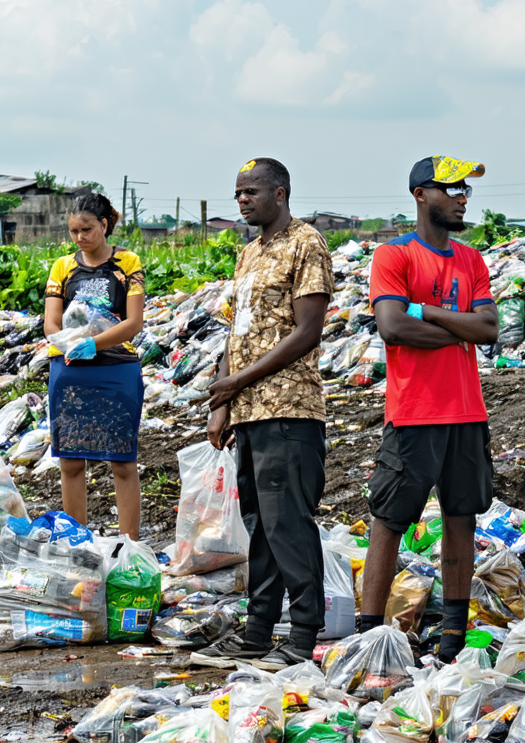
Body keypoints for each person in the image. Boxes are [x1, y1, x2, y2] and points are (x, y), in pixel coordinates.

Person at [357, 155, 498, 664]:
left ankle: (453, 641)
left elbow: (489, 331)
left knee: (463, 520)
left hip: (467, 413)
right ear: (421, 194)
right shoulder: (394, 256)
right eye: (450, 187)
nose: (462, 196)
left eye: (465, 189)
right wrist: (457, 326)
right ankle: (369, 638)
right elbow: (393, 328)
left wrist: (429, 312)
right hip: (414, 412)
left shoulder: (471, 260)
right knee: (388, 521)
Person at [194, 158, 333, 670]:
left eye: (251, 191)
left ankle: (301, 637)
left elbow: (307, 331)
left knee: (287, 524)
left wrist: (238, 382)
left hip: (289, 410)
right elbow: (238, 334)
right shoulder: (249, 254)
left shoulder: (306, 243)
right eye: (237, 193)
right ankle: (256, 633)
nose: (242, 200)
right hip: (250, 412)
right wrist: (224, 403)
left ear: (280, 193)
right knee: (260, 525)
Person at [43, 190, 145, 540]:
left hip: (116, 367)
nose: (79, 238)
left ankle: (129, 545)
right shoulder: (63, 267)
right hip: (71, 369)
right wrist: (71, 344)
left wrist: (94, 343)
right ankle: (77, 541)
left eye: (86, 229)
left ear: (104, 225)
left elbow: (133, 324)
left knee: (122, 461)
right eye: (73, 231)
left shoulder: (127, 263)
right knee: (71, 461)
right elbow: (51, 323)